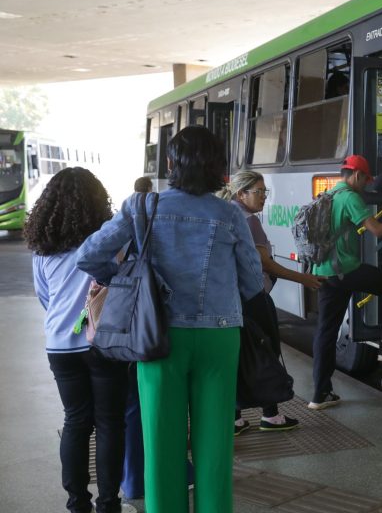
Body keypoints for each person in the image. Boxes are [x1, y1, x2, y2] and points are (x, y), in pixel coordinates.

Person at [76, 125, 264, 513]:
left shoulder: (142, 206)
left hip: (156, 335)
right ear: (218, 167)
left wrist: (127, 282)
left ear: (170, 163)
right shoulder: (230, 213)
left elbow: (89, 256)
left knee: (161, 442)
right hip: (219, 337)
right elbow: (252, 282)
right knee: (215, 445)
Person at [25, 167, 128, 513]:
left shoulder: (43, 246)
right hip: (104, 342)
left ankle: (77, 503)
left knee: (76, 421)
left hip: (60, 345)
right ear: (99, 201)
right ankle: (109, 503)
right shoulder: (110, 237)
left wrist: (68, 321)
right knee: (110, 422)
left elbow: (45, 298)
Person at [218, 170, 323, 434]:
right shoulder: (248, 220)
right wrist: (305, 279)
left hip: (232, 298)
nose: (264, 197)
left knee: (240, 355)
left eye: (266, 192)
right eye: (259, 192)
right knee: (267, 350)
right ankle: (271, 415)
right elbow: (266, 265)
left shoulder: (225, 212)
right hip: (254, 298)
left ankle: (235, 417)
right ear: (242, 194)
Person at [308, 154, 382, 411]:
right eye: (365, 180)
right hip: (345, 271)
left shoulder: (329, 194)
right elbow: (377, 230)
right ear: (357, 175)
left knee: (325, 332)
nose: (366, 185)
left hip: (324, 271)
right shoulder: (350, 197)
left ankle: (319, 393)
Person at [121, 177, 194, 500]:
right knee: (149, 409)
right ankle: (174, 474)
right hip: (155, 327)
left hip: (118, 331)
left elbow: (91, 260)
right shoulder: (219, 212)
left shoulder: (132, 213)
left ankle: (131, 482)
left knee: (126, 414)